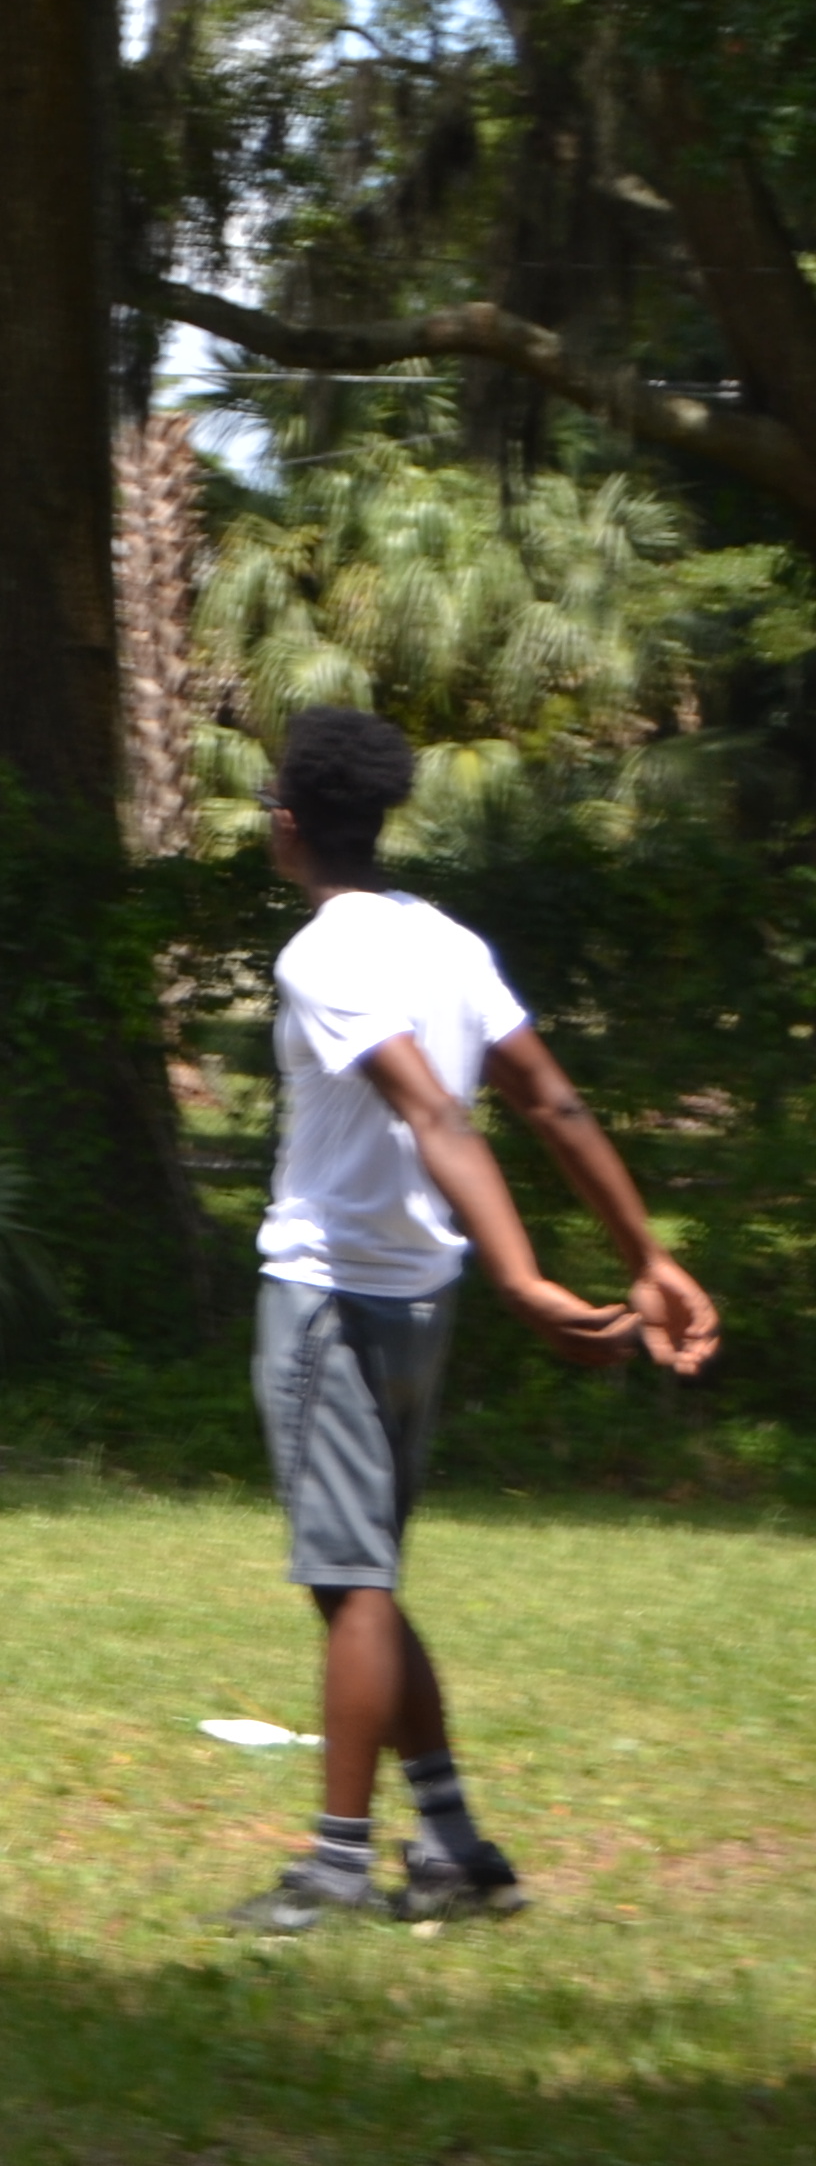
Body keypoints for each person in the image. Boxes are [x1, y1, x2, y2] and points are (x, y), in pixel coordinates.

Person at [217, 706, 718, 1933]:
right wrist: (647, 1254)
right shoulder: (446, 941)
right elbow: (549, 1099)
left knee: (351, 1584)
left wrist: (527, 1277)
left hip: (331, 1294)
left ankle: (338, 1867)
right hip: (417, 1301)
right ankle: (453, 1847)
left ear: (287, 824)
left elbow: (437, 1115)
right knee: (369, 1584)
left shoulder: (323, 955)